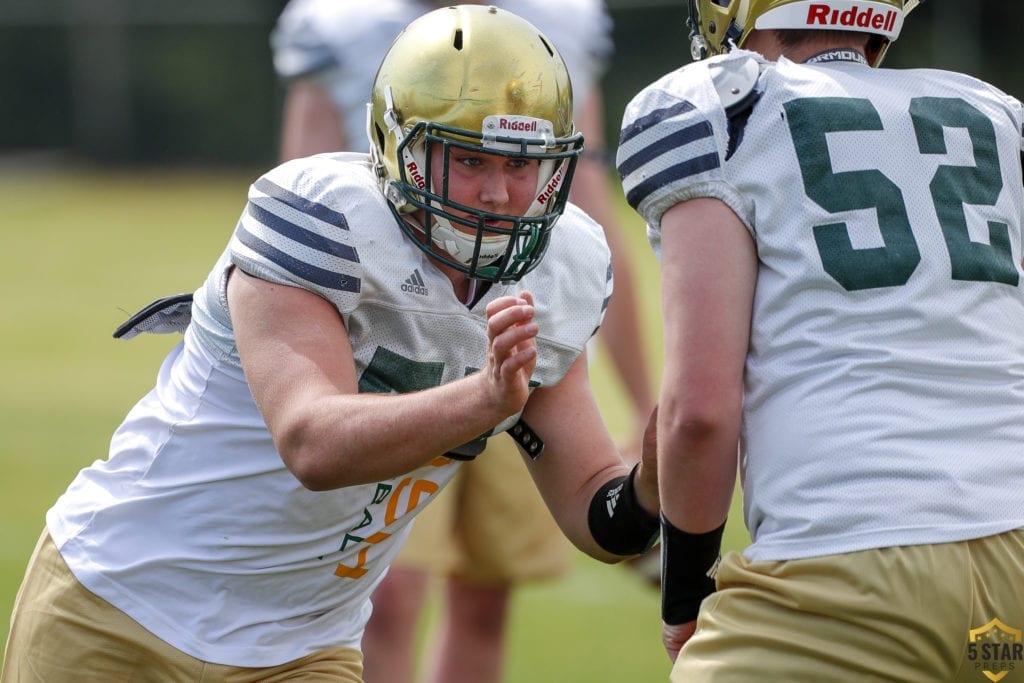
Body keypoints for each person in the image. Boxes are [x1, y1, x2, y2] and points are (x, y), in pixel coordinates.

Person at [1, 7, 661, 682]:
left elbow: (593, 507)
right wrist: (484, 397)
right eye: (468, 159)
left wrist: (655, 479)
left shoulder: (562, 266)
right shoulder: (317, 215)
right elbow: (313, 443)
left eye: (521, 165)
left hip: (303, 647)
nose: (497, 193)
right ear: (400, 144)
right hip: (123, 607)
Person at [617, 0, 1024, 680]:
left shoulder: (726, 109)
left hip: (846, 568)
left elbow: (700, 413)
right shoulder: (992, 112)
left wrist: (684, 595)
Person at [271, 2, 659, 682]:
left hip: (522, 338)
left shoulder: (557, 30)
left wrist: (653, 414)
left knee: (485, 596)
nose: (500, 191)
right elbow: (309, 209)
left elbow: (587, 202)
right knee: (385, 593)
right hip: (390, 349)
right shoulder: (338, 22)